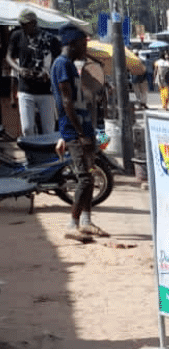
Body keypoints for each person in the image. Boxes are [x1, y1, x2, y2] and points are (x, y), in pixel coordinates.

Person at [50, 24, 108, 243]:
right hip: (74, 131)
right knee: (84, 178)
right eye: (83, 45)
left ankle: (86, 221)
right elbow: (66, 102)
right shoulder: (62, 65)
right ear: (72, 44)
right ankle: (72, 224)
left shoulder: (71, 65)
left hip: (84, 127)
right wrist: (78, 133)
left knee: (91, 174)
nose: (86, 49)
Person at [6, 8, 60, 138]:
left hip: (46, 91)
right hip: (25, 89)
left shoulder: (50, 39)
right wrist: (19, 70)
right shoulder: (17, 36)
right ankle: (32, 156)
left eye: (26, 24)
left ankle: (48, 156)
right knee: (27, 128)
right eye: (22, 24)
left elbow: (58, 62)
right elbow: (8, 57)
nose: (23, 27)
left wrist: (48, 73)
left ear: (34, 23)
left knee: (48, 130)